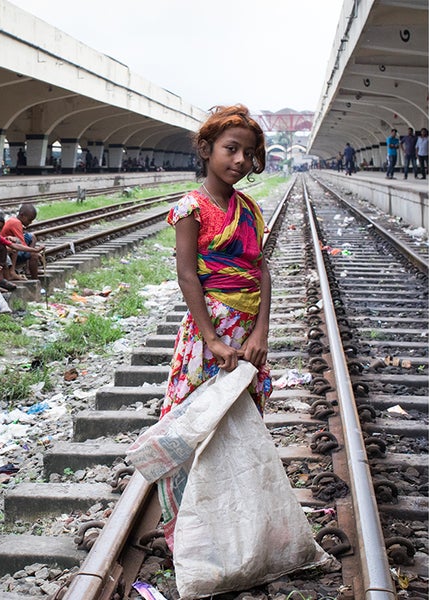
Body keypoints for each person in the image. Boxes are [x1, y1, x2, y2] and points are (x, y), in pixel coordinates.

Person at [158, 103, 273, 543]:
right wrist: (212, 340)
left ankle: (235, 523)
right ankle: (192, 528)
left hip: (246, 332)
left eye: (248, 153)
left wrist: (260, 332)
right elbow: (188, 276)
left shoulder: (249, 209)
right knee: (199, 422)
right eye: (231, 149)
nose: (240, 161)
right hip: (211, 333)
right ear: (206, 149)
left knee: (240, 423)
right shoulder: (191, 208)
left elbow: (261, 271)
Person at [0, 203, 44, 280]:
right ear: (22, 215)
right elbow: (21, 244)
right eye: (29, 220)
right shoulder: (16, 223)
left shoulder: (14, 220)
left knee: (32, 237)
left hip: (11, 245)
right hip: (8, 250)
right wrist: (34, 251)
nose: (30, 223)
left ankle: (27, 269)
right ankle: (35, 279)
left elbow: (21, 240)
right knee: (34, 256)